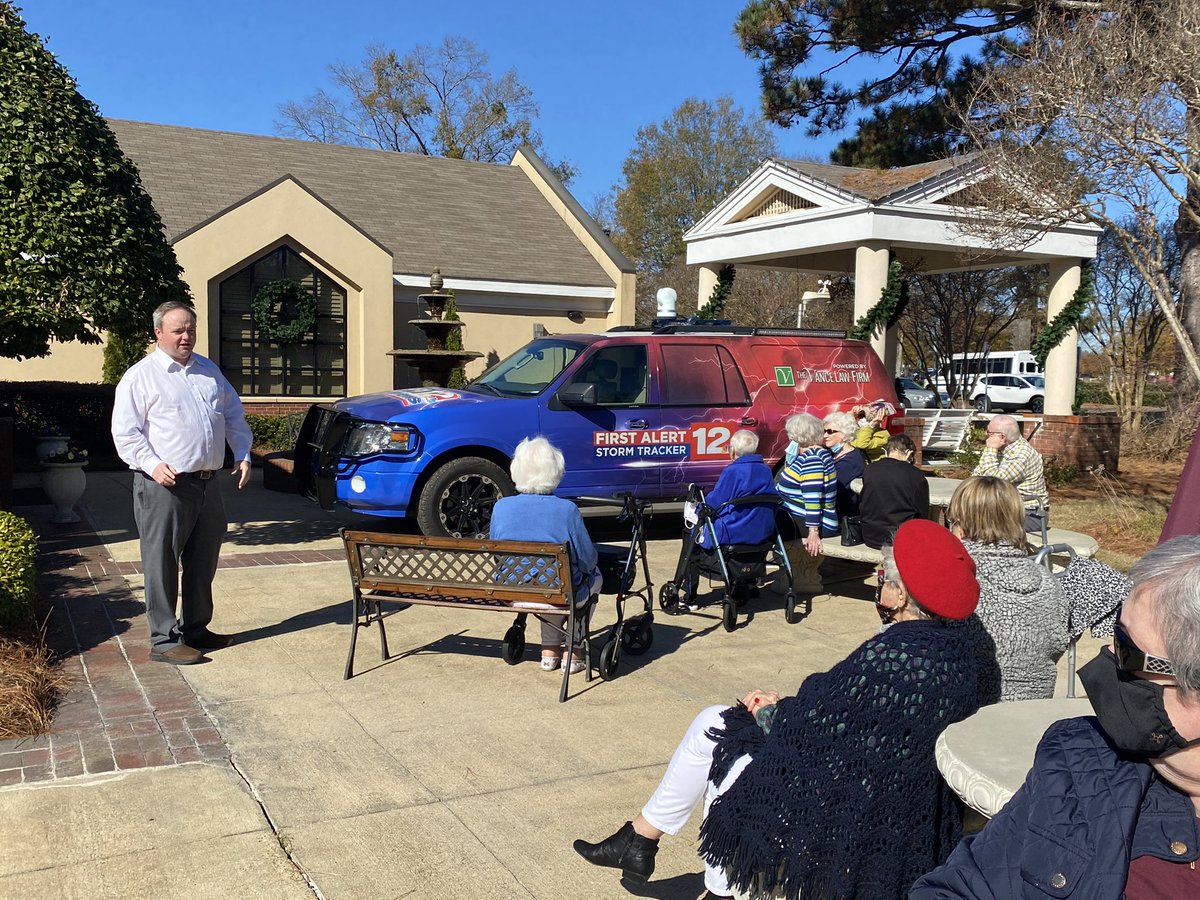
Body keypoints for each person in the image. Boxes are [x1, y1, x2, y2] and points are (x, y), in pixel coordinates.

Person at [573, 519, 981, 900]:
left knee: (727, 752)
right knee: (714, 720)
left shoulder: (892, 658)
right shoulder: (963, 652)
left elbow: (820, 727)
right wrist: (783, 709)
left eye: (883, 580)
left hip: (854, 800)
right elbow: (842, 715)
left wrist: (767, 711)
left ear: (903, 595)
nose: (879, 586)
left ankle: (706, 882)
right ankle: (640, 839)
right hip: (892, 788)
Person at [911, 536, 1200, 900]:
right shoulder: (1078, 759)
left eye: (1127, 649)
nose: (1106, 652)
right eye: (1115, 632)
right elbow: (957, 888)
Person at [111, 301, 252, 665]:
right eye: (178, 330)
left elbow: (233, 415)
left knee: (203, 559)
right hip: (164, 485)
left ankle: (196, 629)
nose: (186, 336)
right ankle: (164, 639)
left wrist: (243, 453)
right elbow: (125, 433)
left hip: (207, 483)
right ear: (158, 333)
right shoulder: (141, 377)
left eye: (190, 329)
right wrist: (152, 464)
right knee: (161, 562)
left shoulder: (208, 370)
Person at [947, 476, 1069, 704]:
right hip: (1033, 710)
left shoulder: (952, 580)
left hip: (965, 713)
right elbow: (1057, 643)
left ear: (960, 525)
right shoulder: (1049, 582)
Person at [489, 436, 600, 673]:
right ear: (555, 471)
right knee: (585, 578)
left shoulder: (501, 507)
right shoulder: (567, 510)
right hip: (557, 591)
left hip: (513, 590)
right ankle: (574, 648)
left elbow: (496, 554)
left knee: (545, 579)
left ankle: (549, 651)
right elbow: (588, 560)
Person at [674, 429, 776, 608]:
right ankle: (749, 582)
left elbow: (713, 503)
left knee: (690, 534)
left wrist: (697, 509)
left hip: (731, 533)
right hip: (760, 532)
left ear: (733, 450)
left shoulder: (732, 471)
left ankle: (690, 595)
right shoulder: (765, 470)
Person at [971, 414, 1050, 533]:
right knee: (963, 514)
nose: (986, 436)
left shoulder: (1021, 455)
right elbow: (976, 476)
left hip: (1029, 514)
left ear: (1002, 437)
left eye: (989, 432)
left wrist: (991, 449)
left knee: (974, 522)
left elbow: (991, 482)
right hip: (1007, 509)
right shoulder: (1003, 449)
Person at [775, 412, 837, 558]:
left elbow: (813, 497)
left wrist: (813, 532)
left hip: (812, 522)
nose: (789, 436)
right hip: (800, 516)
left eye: (789, 432)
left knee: (758, 523)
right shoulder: (816, 454)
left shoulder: (812, 460)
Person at [858, 433, 929, 549]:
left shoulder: (870, 469)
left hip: (870, 536)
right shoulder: (915, 475)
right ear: (909, 453)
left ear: (887, 452)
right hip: (901, 539)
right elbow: (923, 514)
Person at [821, 411, 865, 520]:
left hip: (839, 516)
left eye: (830, 432)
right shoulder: (831, 453)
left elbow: (829, 489)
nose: (825, 435)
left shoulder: (851, 461)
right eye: (824, 431)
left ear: (844, 436)